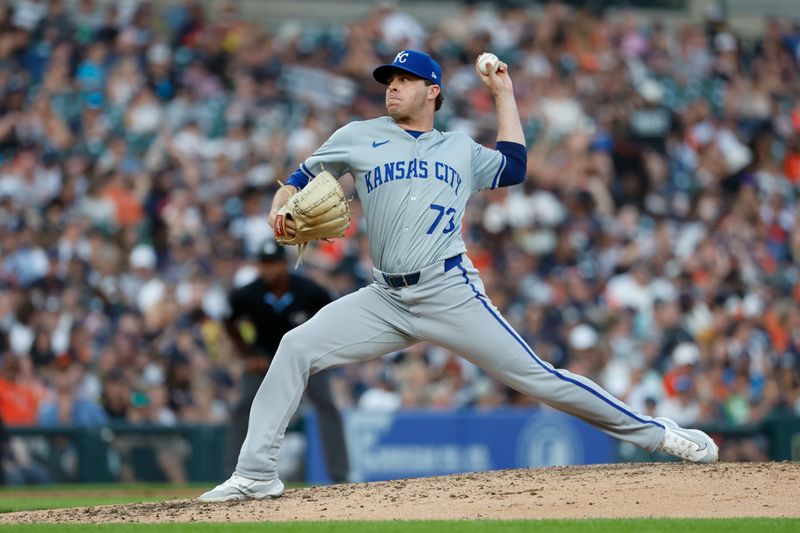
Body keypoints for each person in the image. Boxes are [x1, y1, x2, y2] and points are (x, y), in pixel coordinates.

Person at [199, 50, 718, 502]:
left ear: (432, 91)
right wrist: (279, 210)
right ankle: (255, 474)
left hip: (450, 290)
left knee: (540, 378)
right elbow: (294, 181)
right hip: (385, 297)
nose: (392, 88)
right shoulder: (357, 137)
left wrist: (504, 94)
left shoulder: (459, 148)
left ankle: (659, 435)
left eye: (403, 80)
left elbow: (514, 166)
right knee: (295, 347)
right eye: (388, 80)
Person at [222, 240, 349, 483]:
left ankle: (340, 474)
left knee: (327, 405)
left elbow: (333, 317)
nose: (268, 269)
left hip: (306, 358)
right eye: (263, 264)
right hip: (265, 358)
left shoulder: (309, 291)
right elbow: (229, 321)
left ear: (285, 264)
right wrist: (248, 354)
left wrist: (322, 351)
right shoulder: (249, 293)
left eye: (273, 264)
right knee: (242, 406)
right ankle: (233, 473)